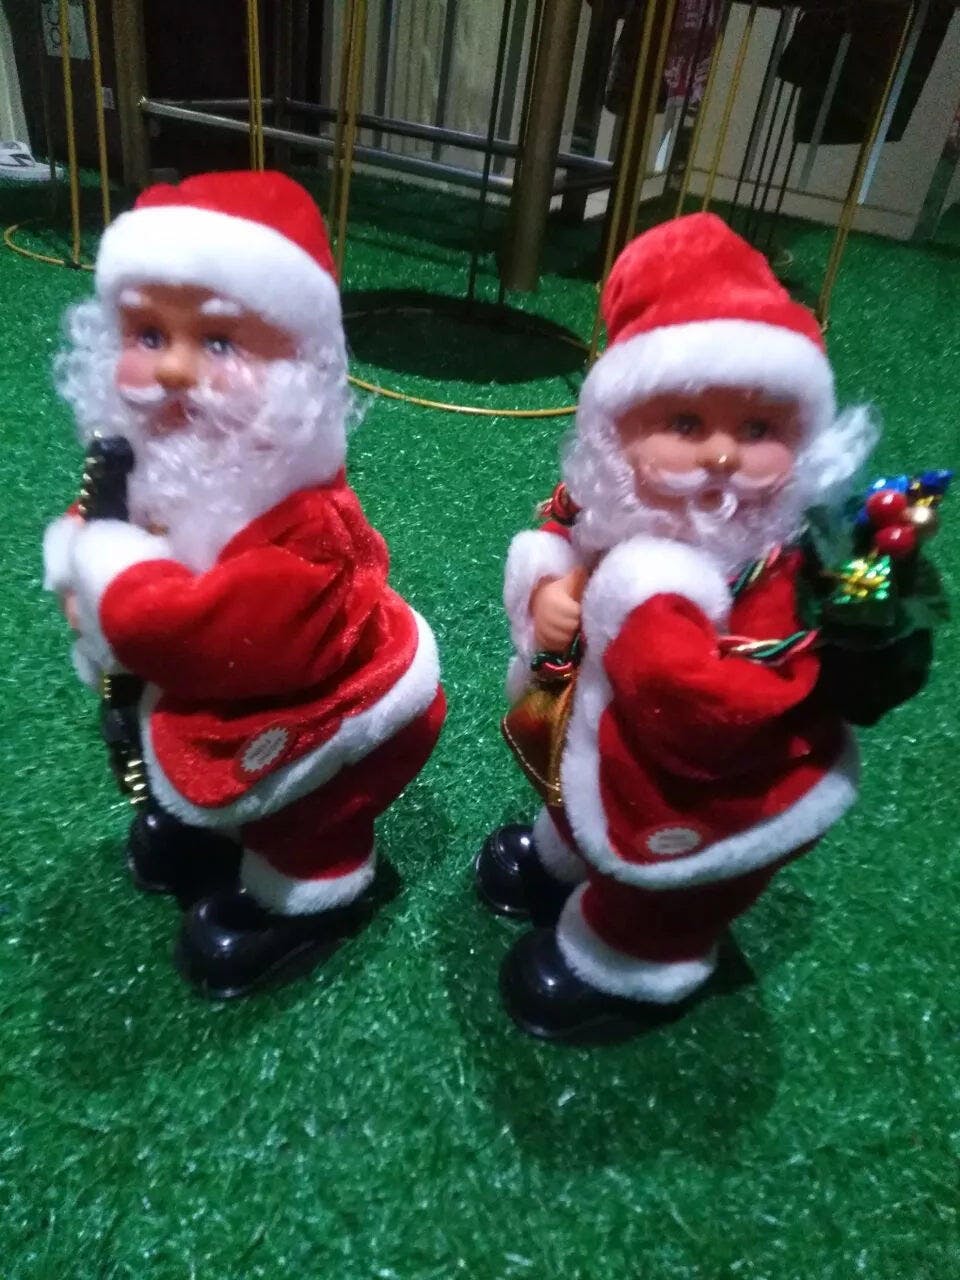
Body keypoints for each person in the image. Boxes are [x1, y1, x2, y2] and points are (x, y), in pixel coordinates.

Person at [478, 211, 936, 1042]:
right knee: (582, 799)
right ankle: (568, 855)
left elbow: (724, 705)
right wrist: (547, 591)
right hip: (595, 739)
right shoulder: (610, 504)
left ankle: (629, 962)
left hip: (714, 785)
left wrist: (645, 629)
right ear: (619, 434)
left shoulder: (776, 565)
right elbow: (561, 536)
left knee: (664, 891)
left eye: (757, 430)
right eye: (687, 425)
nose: (723, 456)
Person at [43, 170, 445, 998]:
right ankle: (208, 828)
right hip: (215, 696)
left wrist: (108, 578)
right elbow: (105, 525)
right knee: (194, 760)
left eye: (220, 342)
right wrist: (80, 555)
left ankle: (309, 899)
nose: (174, 368)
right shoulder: (151, 463)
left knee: (303, 817)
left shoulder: (309, 524)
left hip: (323, 709)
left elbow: (213, 633)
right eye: (148, 334)